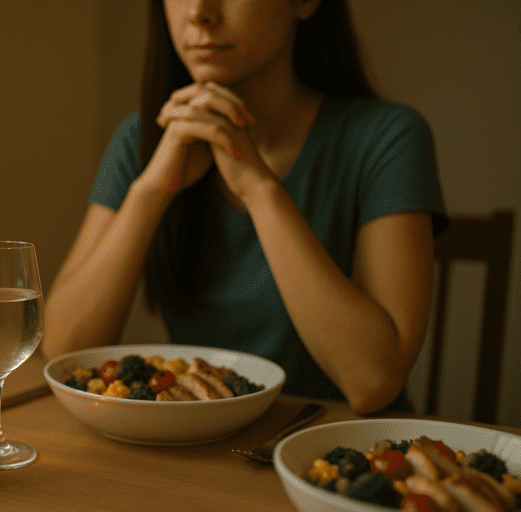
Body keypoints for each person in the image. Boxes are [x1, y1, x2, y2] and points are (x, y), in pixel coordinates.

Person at [40, 0, 448, 414]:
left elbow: (372, 383)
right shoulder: (143, 138)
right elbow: (63, 349)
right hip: (195, 448)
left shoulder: (388, 138)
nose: (200, 11)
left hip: (332, 452)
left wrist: (258, 188)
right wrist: (150, 192)